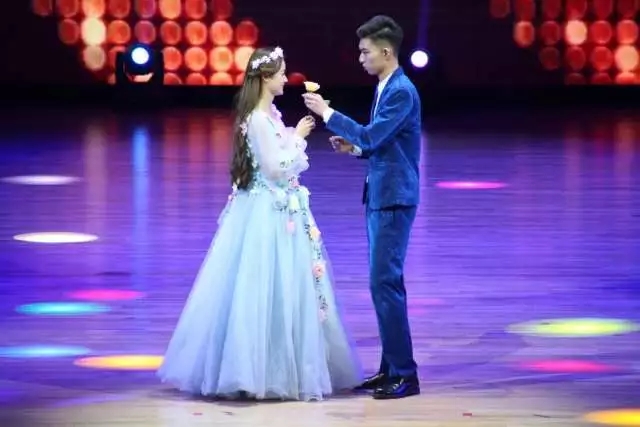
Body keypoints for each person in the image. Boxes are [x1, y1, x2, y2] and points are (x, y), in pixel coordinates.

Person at [157, 46, 362, 401]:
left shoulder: (271, 114)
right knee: (261, 286)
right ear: (266, 78)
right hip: (267, 213)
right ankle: (252, 371)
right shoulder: (256, 118)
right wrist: (298, 137)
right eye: (281, 73)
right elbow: (274, 167)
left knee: (286, 288)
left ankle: (280, 366)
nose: (285, 78)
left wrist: (291, 137)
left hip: (283, 211)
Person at [303, 16, 421, 400]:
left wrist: (327, 113)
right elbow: (378, 144)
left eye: (365, 51)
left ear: (386, 52)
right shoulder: (387, 87)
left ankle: (405, 374)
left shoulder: (401, 91)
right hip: (381, 196)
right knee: (384, 283)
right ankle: (391, 369)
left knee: (384, 283)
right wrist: (354, 148)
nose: (360, 58)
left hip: (394, 199)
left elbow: (373, 136)